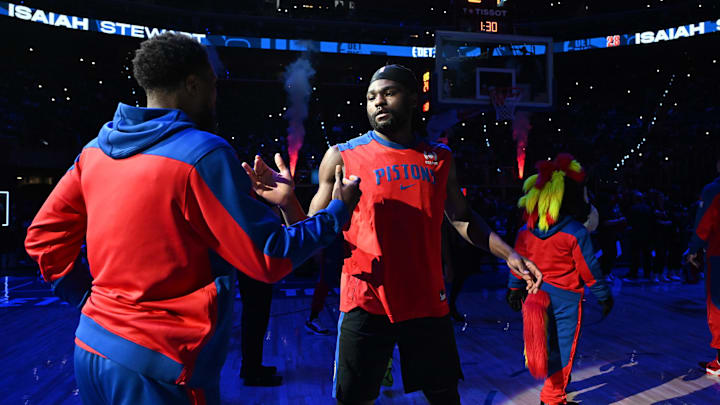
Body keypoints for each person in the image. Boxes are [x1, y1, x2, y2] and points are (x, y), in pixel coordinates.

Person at [24, 33, 361, 405]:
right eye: (213, 86)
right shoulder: (203, 152)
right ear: (192, 84)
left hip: (91, 349)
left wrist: (86, 300)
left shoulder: (94, 152)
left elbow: (43, 237)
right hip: (160, 363)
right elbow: (270, 259)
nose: (215, 97)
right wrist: (336, 211)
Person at [305, 64, 543, 405]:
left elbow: (461, 218)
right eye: (372, 97)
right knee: (352, 399)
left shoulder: (439, 158)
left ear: (414, 99)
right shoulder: (342, 156)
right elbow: (312, 229)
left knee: (445, 397)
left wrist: (510, 255)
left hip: (427, 301)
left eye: (389, 93)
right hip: (365, 300)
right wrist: (287, 203)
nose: (379, 103)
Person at [507, 154, 613, 405]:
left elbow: (516, 263)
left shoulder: (525, 232)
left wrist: (513, 288)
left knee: (542, 349)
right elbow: (590, 270)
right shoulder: (575, 233)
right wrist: (604, 296)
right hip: (566, 299)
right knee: (564, 349)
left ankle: (552, 393)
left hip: (534, 296)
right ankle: (553, 398)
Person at [687, 158, 720, 376]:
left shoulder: (713, 190)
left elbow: (704, 223)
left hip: (718, 254)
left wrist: (693, 249)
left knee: (717, 305)